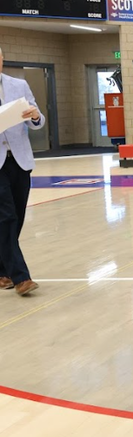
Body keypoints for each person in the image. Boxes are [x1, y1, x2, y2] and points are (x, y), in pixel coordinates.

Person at [0, 47, 44, 296]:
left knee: (16, 217)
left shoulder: (19, 85)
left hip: (19, 161)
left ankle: (2, 270)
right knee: (6, 217)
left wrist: (36, 116)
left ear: (3, 59)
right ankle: (21, 277)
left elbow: (37, 121)